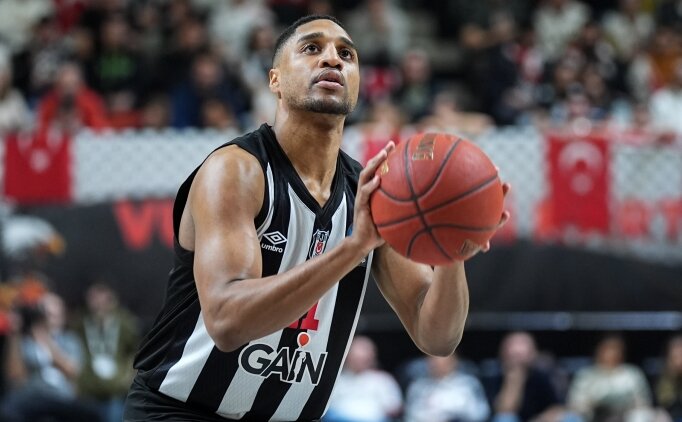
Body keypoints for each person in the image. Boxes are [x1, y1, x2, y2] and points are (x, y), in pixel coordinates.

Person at [123, 14, 509, 421]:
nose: (332, 59)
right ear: (275, 80)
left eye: (347, 54)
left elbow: (437, 337)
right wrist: (355, 247)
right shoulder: (236, 171)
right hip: (178, 412)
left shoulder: (373, 192)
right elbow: (227, 321)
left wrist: (450, 252)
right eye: (311, 48)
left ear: (357, 84)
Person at [567, 334, 653, 422]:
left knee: (642, 416)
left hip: (625, 416)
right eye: (608, 349)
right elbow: (576, 403)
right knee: (571, 417)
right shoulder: (586, 375)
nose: (612, 353)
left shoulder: (632, 374)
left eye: (616, 349)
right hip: (593, 416)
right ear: (599, 351)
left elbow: (643, 402)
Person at [325, 336, 402, 422]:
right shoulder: (335, 380)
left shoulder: (383, 380)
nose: (359, 362)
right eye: (356, 359)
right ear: (347, 357)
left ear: (372, 358)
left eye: (363, 359)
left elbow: (394, 407)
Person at [404, 353, 490, 422]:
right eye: (432, 358)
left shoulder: (469, 384)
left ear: (454, 361)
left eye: (441, 359)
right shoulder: (418, 387)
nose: (436, 363)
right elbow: (411, 417)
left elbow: (481, 413)